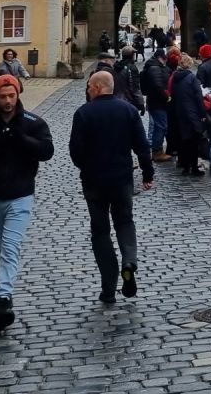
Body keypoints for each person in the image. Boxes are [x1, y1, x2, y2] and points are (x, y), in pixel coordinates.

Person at [0, 74, 55, 334]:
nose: (8, 101)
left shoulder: (33, 122)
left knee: (10, 247)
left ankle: (3, 298)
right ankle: (1, 301)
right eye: (3, 96)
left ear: (18, 95)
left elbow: (47, 151)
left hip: (21, 194)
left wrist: (21, 139)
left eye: (12, 96)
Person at [68, 71, 153, 303]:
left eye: (88, 87)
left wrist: (86, 166)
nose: (87, 90)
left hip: (94, 181)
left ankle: (108, 286)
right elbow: (142, 145)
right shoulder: (128, 111)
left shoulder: (84, 113)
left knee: (100, 232)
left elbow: (75, 150)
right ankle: (129, 260)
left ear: (97, 87)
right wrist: (147, 172)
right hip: (121, 178)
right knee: (125, 220)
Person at [169, 51, 211, 176]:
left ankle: (185, 166)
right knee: (194, 141)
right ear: (188, 64)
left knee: (184, 140)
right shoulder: (191, 78)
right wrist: (203, 114)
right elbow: (198, 97)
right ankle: (194, 167)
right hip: (192, 113)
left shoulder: (175, 77)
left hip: (180, 112)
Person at [140, 48, 171, 162]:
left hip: (156, 102)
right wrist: (167, 97)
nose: (165, 61)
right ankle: (157, 151)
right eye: (164, 58)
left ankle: (157, 150)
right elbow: (158, 86)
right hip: (158, 103)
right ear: (160, 58)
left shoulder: (154, 67)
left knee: (160, 126)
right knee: (161, 126)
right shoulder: (155, 68)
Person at [116, 47, 144, 111]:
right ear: (132, 55)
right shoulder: (131, 68)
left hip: (117, 100)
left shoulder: (117, 66)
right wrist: (141, 103)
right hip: (128, 101)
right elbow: (135, 87)